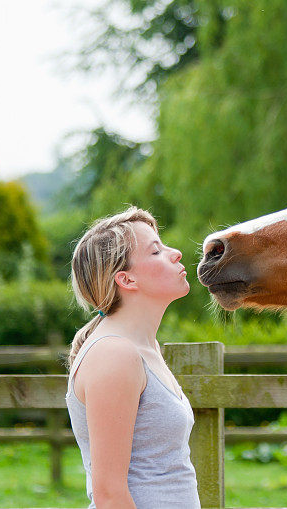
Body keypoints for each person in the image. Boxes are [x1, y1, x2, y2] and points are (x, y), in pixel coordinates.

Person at [65, 206, 199, 508]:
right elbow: (109, 495)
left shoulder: (143, 349)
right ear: (126, 280)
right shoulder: (115, 354)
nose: (175, 253)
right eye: (156, 252)